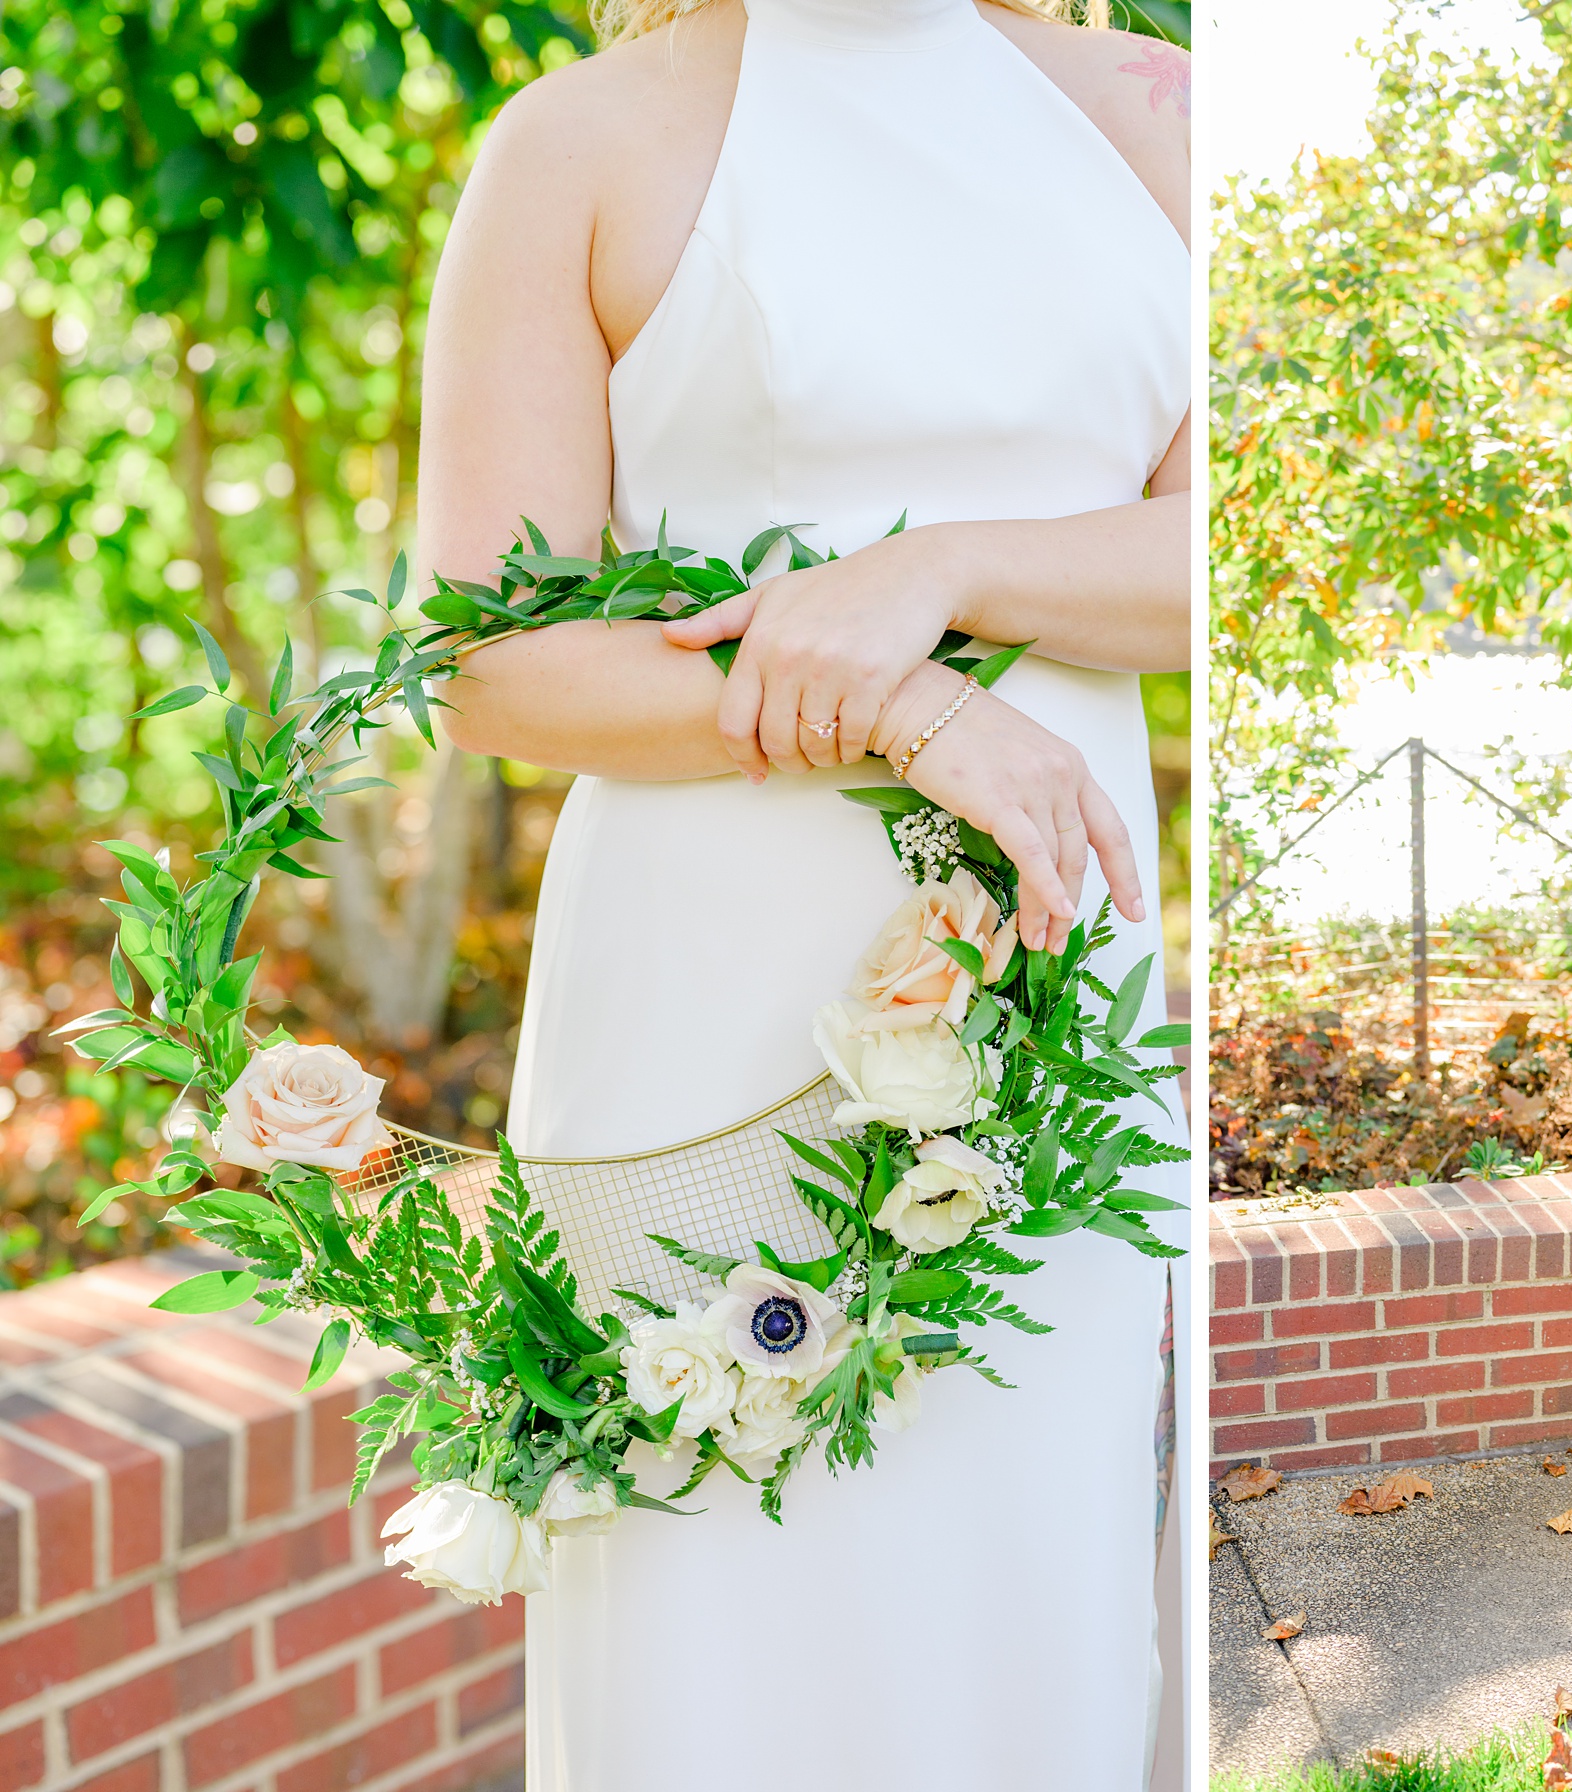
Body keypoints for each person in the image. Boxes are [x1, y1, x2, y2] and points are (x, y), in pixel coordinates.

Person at [414, 0, 1190, 1781]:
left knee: (1013, 1573)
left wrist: (940, 573)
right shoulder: (580, 142)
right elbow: (486, 664)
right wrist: (905, 709)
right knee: (718, 1601)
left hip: (1049, 968)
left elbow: (1220, 541)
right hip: (702, 985)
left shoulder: (1161, 118)